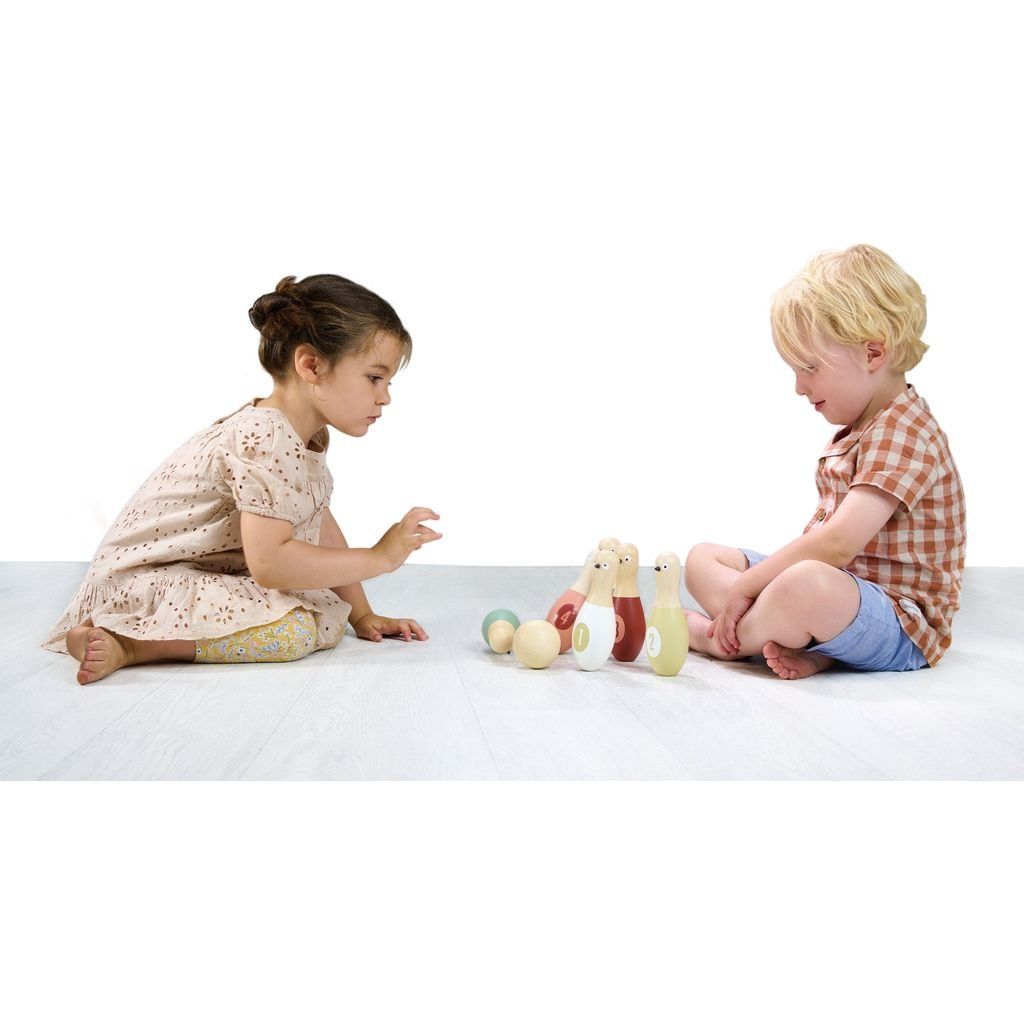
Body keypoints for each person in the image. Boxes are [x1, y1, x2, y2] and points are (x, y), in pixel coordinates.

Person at [43, 274, 442, 684]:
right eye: (374, 378)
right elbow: (270, 565)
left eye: (388, 382)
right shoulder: (264, 435)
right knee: (294, 630)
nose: (385, 397)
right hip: (146, 582)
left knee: (323, 616)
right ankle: (126, 641)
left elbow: (318, 522)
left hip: (196, 574)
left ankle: (126, 636)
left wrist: (362, 614)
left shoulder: (302, 434)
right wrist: (380, 557)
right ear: (311, 365)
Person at [684, 244, 965, 680]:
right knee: (703, 559)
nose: (799, 387)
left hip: (899, 621)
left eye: (809, 368)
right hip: (846, 591)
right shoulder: (865, 424)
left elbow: (835, 545)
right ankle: (792, 634)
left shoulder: (905, 431)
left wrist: (747, 586)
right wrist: (753, 585)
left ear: (873, 354)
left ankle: (721, 641)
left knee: (805, 585)